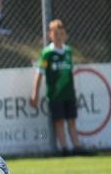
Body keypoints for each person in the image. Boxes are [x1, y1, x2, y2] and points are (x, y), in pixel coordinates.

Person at [30, 19, 89, 155]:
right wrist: (35, 93)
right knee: (59, 122)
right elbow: (39, 74)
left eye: (61, 34)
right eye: (55, 34)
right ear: (50, 35)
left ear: (65, 35)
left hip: (69, 94)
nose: (58, 37)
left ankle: (77, 147)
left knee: (72, 120)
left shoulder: (68, 51)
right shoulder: (47, 53)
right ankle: (64, 148)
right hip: (55, 95)